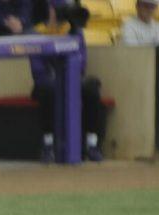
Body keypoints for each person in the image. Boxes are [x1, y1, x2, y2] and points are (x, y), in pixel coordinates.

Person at [31, 0, 104, 162]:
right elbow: (37, 69)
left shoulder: (74, 31)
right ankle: (47, 145)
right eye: (58, 10)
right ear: (50, 9)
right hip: (47, 81)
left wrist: (69, 78)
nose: (61, 14)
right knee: (48, 90)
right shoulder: (38, 32)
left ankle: (92, 144)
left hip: (71, 80)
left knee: (92, 89)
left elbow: (82, 62)